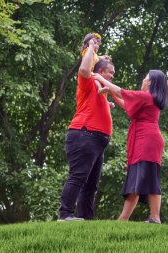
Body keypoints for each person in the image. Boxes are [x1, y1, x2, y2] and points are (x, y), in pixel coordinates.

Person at [93, 70, 168, 224]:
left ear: (150, 82)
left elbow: (122, 92)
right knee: (134, 180)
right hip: (143, 140)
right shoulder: (147, 99)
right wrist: (111, 92)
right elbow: (127, 106)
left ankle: (155, 217)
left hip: (147, 141)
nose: (143, 79)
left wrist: (101, 78)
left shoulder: (146, 96)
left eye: (145, 77)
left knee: (150, 178)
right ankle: (123, 219)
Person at [58, 37, 115, 221]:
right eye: (110, 73)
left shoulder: (101, 89)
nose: (112, 76)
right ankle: (65, 214)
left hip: (97, 141)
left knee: (91, 185)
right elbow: (84, 68)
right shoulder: (88, 80)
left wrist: (108, 106)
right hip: (84, 135)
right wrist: (91, 46)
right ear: (99, 72)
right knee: (78, 177)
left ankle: (86, 220)